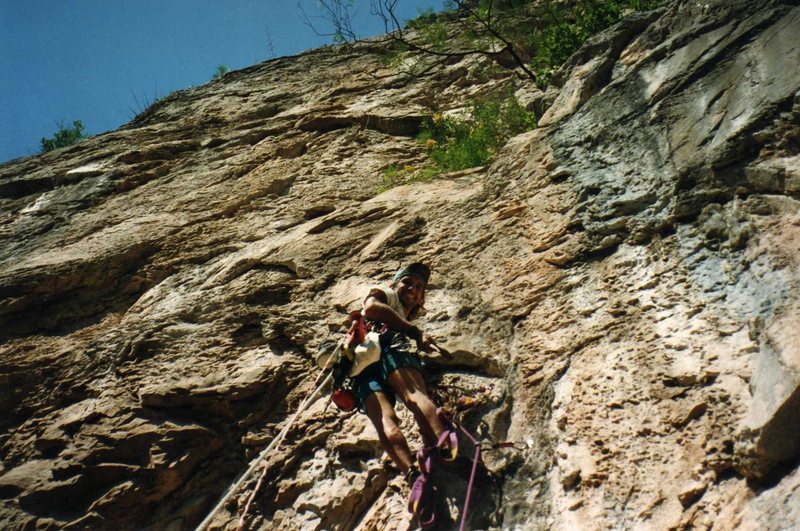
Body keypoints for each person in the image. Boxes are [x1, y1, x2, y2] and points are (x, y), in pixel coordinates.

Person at [351, 262, 447, 482]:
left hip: (361, 362)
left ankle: (411, 474)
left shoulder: (399, 314)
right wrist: (414, 332)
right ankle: (443, 442)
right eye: (407, 282)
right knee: (413, 395)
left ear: (422, 299)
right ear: (394, 284)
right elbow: (372, 307)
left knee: (383, 418)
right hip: (387, 346)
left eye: (419, 287)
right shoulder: (387, 295)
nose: (412, 289)